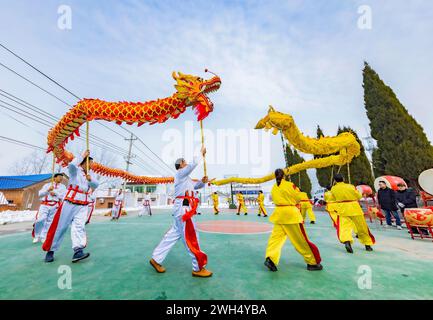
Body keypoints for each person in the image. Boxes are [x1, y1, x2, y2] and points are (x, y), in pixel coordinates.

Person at [149, 146, 212, 277]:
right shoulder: (180, 173)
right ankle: (198, 268)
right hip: (184, 211)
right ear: (180, 165)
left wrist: (203, 182)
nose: (186, 162)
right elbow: (192, 165)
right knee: (192, 237)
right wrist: (200, 154)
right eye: (184, 161)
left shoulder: (185, 179)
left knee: (172, 236)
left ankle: (156, 258)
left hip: (181, 210)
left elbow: (196, 187)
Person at [42, 150, 99, 263]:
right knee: (60, 226)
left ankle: (78, 251)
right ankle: (50, 251)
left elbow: (95, 185)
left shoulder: (90, 176)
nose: (92, 165)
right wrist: (82, 155)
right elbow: (72, 165)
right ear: (84, 162)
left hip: (83, 205)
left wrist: (90, 179)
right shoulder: (75, 171)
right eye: (90, 163)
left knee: (79, 226)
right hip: (69, 202)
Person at [264, 169, 323, 272]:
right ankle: (312, 262)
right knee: (300, 240)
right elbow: (298, 197)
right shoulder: (289, 185)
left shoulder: (274, 187)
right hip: (291, 215)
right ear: (284, 176)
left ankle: (271, 258)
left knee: (276, 239)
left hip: (279, 214)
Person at [331, 174, 375, 253]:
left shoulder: (333, 189)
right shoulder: (350, 186)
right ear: (343, 178)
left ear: (335, 180)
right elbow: (358, 196)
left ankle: (347, 241)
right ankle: (367, 245)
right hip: (354, 208)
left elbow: (333, 198)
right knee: (362, 227)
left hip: (342, 208)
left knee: (344, 227)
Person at [32, 173, 66, 244]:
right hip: (45, 204)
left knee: (50, 222)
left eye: (62, 177)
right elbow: (40, 194)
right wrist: (48, 190)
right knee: (40, 219)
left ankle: (43, 236)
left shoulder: (63, 187)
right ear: (54, 178)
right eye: (59, 177)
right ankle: (36, 235)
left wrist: (55, 193)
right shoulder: (47, 185)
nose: (61, 178)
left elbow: (64, 196)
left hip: (55, 205)